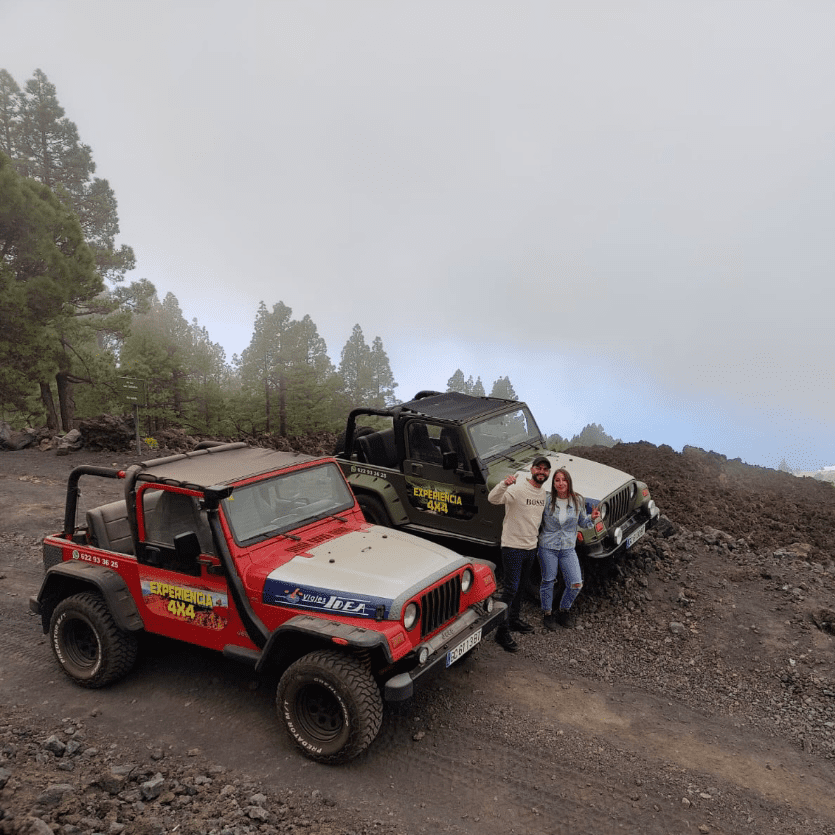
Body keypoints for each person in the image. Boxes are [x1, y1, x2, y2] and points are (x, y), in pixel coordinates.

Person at [487, 455, 551, 652]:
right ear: (532, 469)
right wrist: (504, 484)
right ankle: (501, 631)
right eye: (538, 468)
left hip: (530, 547)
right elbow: (493, 499)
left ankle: (513, 620)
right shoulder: (517, 488)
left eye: (545, 469)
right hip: (513, 547)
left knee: (521, 588)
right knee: (510, 589)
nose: (541, 472)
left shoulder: (543, 493)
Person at [538, 467, 599, 630]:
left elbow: (583, 522)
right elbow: (536, 519)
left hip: (567, 548)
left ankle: (563, 610)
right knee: (548, 581)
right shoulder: (547, 500)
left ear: (569, 482)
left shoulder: (577, 500)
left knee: (576, 583)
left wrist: (592, 518)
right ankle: (547, 614)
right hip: (548, 546)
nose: (561, 483)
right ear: (553, 483)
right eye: (557, 480)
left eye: (564, 480)